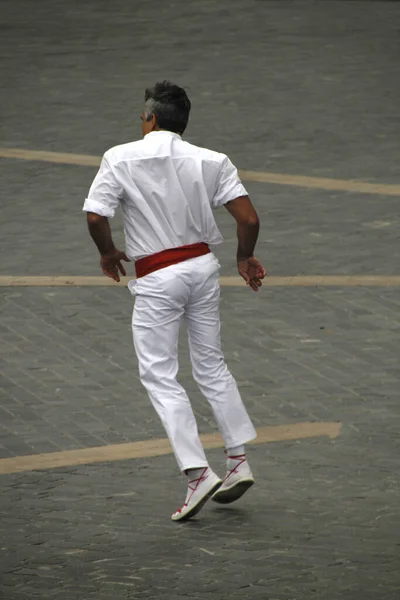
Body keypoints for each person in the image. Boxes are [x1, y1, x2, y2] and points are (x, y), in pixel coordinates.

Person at [83, 81, 266, 521]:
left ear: (150, 118)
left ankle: (196, 473)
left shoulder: (119, 157)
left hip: (158, 277)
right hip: (202, 268)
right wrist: (244, 257)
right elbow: (249, 218)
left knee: (161, 376)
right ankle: (237, 461)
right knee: (211, 364)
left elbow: (95, 215)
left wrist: (108, 252)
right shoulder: (212, 159)